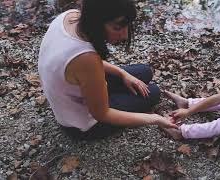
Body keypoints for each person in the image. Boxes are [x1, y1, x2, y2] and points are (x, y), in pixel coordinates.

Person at [38, 0, 177, 140]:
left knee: (145, 71)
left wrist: (123, 73)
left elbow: (78, 61)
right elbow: (102, 114)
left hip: (73, 93)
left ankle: (117, 88)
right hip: (81, 125)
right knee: (153, 92)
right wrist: (154, 119)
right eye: (117, 28)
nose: (125, 35)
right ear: (96, 21)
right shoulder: (87, 59)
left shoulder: (70, 16)